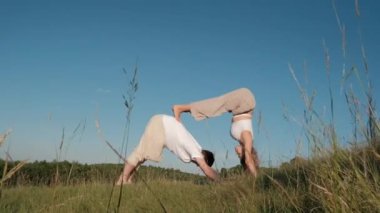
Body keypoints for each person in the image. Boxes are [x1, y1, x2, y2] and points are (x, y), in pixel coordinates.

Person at [172, 88, 259, 177]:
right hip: (246, 100)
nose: (237, 153)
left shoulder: (241, 138)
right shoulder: (248, 137)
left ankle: (182, 111)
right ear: (247, 152)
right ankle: (180, 108)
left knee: (217, 108)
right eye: (240, 154)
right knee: (217, 105)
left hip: (240, 107)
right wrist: (257, 180)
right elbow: (248, 160)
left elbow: (248, 160)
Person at [116, 114, 218, 185]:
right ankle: (122, 180)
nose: (199, 166)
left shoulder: (196, 149)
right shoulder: (196, 152)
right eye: (202, 164)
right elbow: (205, 168)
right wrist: (221, 181)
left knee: (143, 156)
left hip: (162, 126)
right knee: (140, 153)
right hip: (161, 125)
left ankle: (128, 180)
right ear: (205, 158)